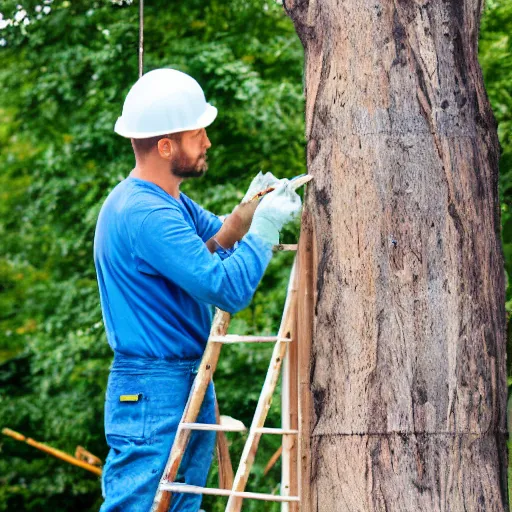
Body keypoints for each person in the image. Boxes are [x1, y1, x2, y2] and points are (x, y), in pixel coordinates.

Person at [93, 68, 302, 511]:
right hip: (154, 384)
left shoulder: (170, 203)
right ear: (166, 146)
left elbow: (213, 245)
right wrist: (263, 230)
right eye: (197, 133)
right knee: (141, 505)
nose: (207, 141)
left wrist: (245, 216)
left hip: (180, 378)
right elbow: (225, 286)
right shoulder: (146, 213)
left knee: (181, 503)